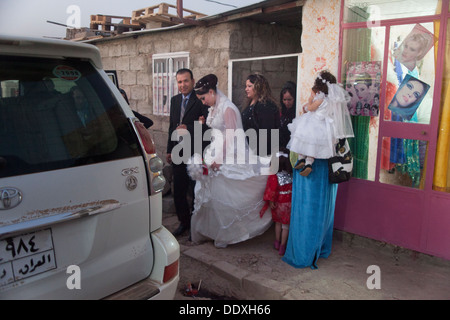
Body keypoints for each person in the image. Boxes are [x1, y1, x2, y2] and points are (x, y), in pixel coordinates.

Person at [188, 74, 272, 248]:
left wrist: (220, 158)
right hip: (216, 148)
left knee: (227, 192)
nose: (203, 102)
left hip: (231, 152)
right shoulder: (214, 107)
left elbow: (232, 136)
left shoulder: (228, 108)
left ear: (211, 92)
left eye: (204, 98)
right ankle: (212, 231)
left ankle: (229, 233)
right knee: (212, 193)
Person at [166, 68, 209, 237]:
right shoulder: (175, 100)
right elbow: (172, 126)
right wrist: (170, 149)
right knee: (179, 190)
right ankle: (183, 222)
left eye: (185, 81)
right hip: (178, 151)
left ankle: (195, 226)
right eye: (179, 82)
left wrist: (188, 128)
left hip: (195, 152)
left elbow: (206, 127)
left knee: (194, 190)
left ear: (192, 81)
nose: (182, 85)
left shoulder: (200, 100)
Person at [287, 71, 354, 177]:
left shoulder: (320, 99)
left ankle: (302, 160)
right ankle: (308, 162)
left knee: (306, 142)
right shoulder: (331, 100)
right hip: (325, 125)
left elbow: (310, 108)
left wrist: (310, 100)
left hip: (315, 123)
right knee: (314, 146)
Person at [260, 148, 292, 256]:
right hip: (289, 203)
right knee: (285, 225)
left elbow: (271, 189)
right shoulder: (291, 176)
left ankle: (277, 242)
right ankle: (283, 246)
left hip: (278, 203)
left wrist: (270, 201)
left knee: (277, 223)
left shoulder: (274, 176)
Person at [241, 74, 280, 157]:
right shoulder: (250, 104)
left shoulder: (265, 106)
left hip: (261, 153)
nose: (246, 89)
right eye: (246, 86)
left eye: (249, 86)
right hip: (250, 150)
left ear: (258, 87)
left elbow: (267, 132)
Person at [279, 81, 297, 149]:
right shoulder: (280, 113)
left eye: (289, 99)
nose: (287, 102)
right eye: (284, 100)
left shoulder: (297, 113)